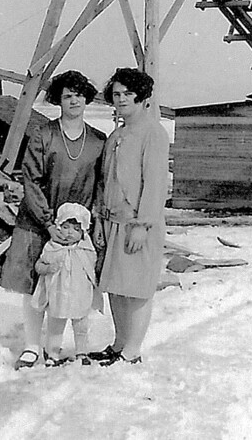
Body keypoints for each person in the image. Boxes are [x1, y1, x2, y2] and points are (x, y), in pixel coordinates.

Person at [0, 70, 106, 370]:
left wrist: (86, 224)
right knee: (35, 283)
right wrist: (48, 223)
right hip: (39, 219)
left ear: (87, 98)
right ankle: (33, 346)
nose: (74, 101)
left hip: (75, 227)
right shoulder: (43, 135)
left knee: (69, 283)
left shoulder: (98, 140)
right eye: (67, 96)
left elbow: (99, 185)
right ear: (58, 100)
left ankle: (59, 346)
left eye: (79, 95)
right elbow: (30, 181)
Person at [89, 67, 169, 366]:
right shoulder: (117, 135)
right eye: (117, 94)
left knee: (136, 288)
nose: (121, 99)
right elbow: (104, 182)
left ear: (143, 98)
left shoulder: (153, 133)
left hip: (137, 225)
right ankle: (119, 343)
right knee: (116, 287)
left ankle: (132, 350)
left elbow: (156, 183)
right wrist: (99, 220)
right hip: (112, 222)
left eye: (128, 94)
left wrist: (142, 225)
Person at [32, 203, 99, 367]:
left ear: (84, 232)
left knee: (81, 325)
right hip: (59, 293)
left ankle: (82, 352)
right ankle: (52, 352)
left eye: (76, 229)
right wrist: (49, 268)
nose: (69, 232)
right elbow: (39, 266)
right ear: (58, 226)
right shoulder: (52, 247)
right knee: (55, 325)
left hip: (79, 293)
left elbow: (92, 268)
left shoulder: (85, 249)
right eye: (65, 227)